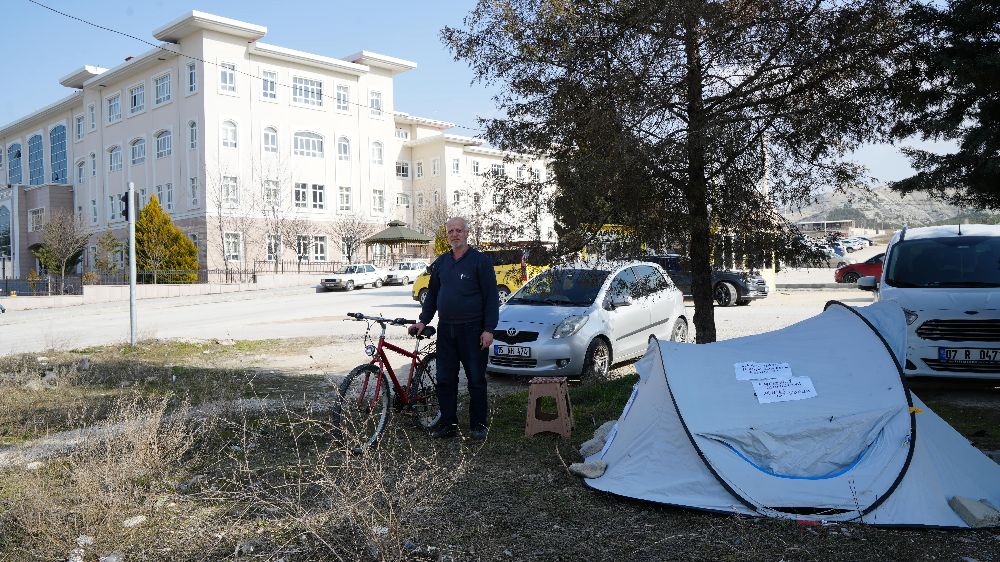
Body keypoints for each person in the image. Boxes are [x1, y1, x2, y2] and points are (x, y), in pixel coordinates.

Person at [412, 217, 499, 440]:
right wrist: (423, 320)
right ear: (447, 235)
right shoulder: (441, 263)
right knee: (445, 380)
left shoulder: (480, 261)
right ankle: (448, 423)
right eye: (450, 231)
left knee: (476, 380)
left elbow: (491, 299)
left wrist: (489, 329)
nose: (454, 234)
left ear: (467, 233)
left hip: (473, 330)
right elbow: (431, 296)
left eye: (458, 230)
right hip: (446, 330)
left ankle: (478, 426)